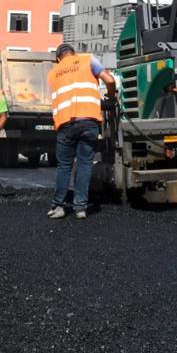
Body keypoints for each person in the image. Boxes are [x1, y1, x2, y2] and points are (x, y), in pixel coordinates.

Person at [47, 42, 116, 220]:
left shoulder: (53, 73)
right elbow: (109, 80)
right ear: (74, 53)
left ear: (58, 59)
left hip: (65, 124)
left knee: (64, 166)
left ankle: (59, 206)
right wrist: (110, 96)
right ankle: (80, 208)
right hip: (89, 121)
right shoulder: (87, 60)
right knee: (85, 164)